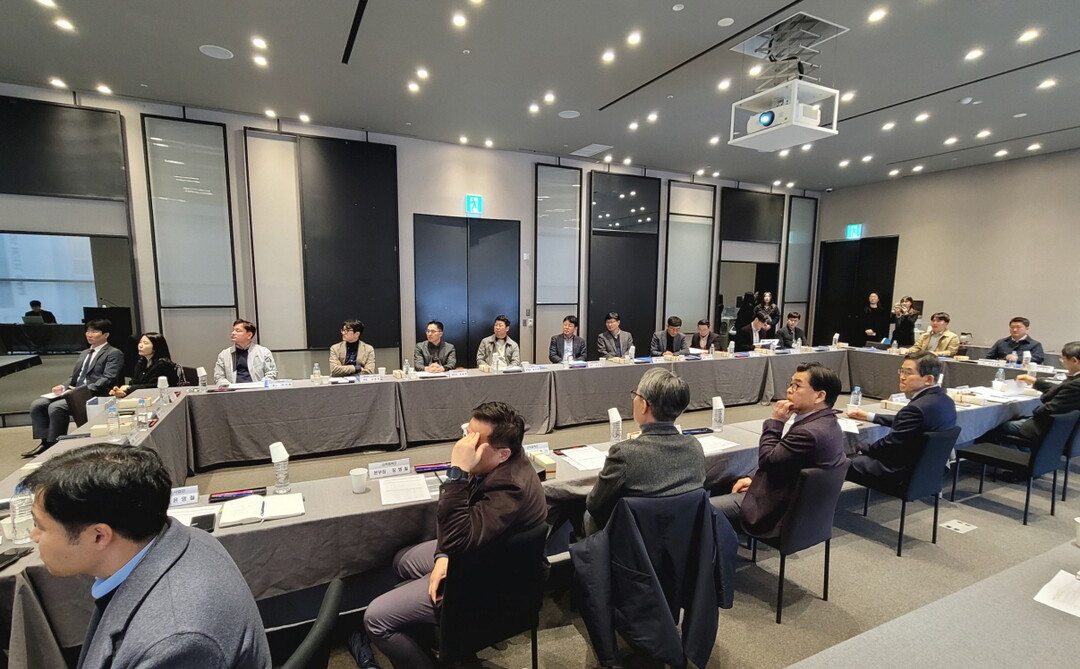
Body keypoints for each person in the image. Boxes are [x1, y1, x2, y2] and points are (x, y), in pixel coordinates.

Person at [23, 443, 271, 669]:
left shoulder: (175, 643)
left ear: (99, 536)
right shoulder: (183, 537)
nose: (34, 536)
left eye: (41, 527)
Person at [362, 402, 547, 669]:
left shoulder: (509, 487)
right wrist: (443, 556)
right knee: (402, 560)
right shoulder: (498, 462)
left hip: (489, 582)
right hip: (481, 553)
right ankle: (438, 638)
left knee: (376, 619)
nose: (463, 446)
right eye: (466, 434)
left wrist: (457, 472)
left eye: (474, 441)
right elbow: (458, 529)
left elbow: (456, 538)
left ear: (503, 454)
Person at [711, 362, 847, 536]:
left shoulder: (809, 432)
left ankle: (716, 549)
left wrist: (776, 422)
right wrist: (753, 477)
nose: (789, 390)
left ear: (819, 396)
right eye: (790, 384)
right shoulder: (827, 422)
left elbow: (768, 460)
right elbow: (784, 460)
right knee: (729, 480)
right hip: (793, 496)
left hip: (776, 510)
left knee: (701, 508)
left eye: (797, 386)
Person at [584, 368, 705, 533]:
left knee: (587, 516)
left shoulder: (624, 454)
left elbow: (595, 505)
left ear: (644, 405)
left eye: (636, 395)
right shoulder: (695, 447)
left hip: (630, 542)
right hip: (682, 539)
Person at [846, 352, 957, 486]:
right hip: (927, 469)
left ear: (928, 379)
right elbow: (908, 422)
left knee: (839, 461)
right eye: (902, 371)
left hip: (899, 472)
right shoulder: (946, 401)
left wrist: (862, 448)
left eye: (908, 373)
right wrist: (870, 416)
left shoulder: (916, 408)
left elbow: (890, 445)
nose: (902, 377)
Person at [26, 319, 123, 458]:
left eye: (94, 331)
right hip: (73, 391)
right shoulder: (84, 353)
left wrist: (80, 391)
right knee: (38, 405)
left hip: (93, 393)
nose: (89, 334)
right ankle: (45, 442)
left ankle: (55, 444)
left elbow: (108, 378)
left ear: (105, 335)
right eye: (88, 331)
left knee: (56, 407)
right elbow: (75, 377)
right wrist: (63, 386)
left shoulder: (113, 353)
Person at [987, 341, 1080, 447]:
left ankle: (1013, 456)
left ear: (1074, 360)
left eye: (1063, 359)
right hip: (1068, 429)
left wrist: (1032, 411)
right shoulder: (1075, 380)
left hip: (1050, 428)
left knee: (997, 426)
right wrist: (1035, 381)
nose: (1062, 363)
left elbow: (1049, 409)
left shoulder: (1076, 384)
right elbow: (1061, 390)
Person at [108, 332, 179, 398]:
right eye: (140, 342)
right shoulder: (141, 362)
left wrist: (129, 388)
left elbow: (154, 386)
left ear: (155, 346)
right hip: (143, 398)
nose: (140, 345)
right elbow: (134, 382)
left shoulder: (163, 364)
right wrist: (123, 392)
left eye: (145, 343)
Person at [214, 319, 277, 385]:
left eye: (238, 331)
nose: (233, 333)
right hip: (233, 390)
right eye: (233, 330)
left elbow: (271, 373)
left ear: (249, 335)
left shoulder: (264, 352)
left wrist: (260, 386)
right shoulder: (224, 354)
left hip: (258, 389)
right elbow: (218, 377)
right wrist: (230, 387)